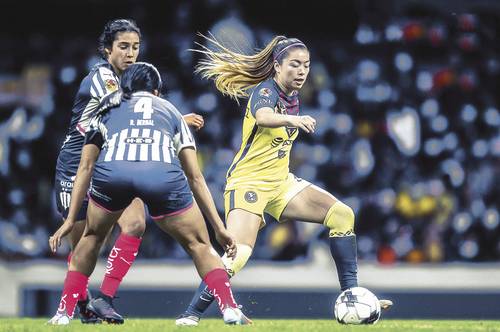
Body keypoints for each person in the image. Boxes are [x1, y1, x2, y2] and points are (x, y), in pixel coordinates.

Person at [175, 35, 393, 326]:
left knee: (342, 215)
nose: (302, 71)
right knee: (237, 254)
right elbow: (264, 117)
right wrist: (294, 120)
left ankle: (352, 296)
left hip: (280, 184)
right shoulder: (265, 91)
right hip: (248, 183)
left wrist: (295, 116)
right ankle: (190, 315)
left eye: (306, 65)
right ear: (277, 66)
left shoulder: (293, 96)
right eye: (295, 64)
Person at [47, 62, 252, 326]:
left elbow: (86, 166)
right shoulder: (172, 111)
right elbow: (195, 177)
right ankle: (229, 308)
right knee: (199, 244)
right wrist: (219, 228)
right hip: (161, 176)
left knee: (92, 236)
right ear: (156, 91)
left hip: (113, 175)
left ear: (125, 88)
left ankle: (63, 312)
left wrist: (69, 219)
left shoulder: (107, 108)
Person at [52, 19, 204, 324]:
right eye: (123, 46)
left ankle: (104, 299)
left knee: (134, 224)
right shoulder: (103, 78)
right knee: (83, 243)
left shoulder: (132, 80)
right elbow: (123, 108)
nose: (131, 53)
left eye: (135, 47)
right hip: (77, 164)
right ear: (108, 50)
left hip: (112, 161)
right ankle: (79, 305)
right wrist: (174, 117)